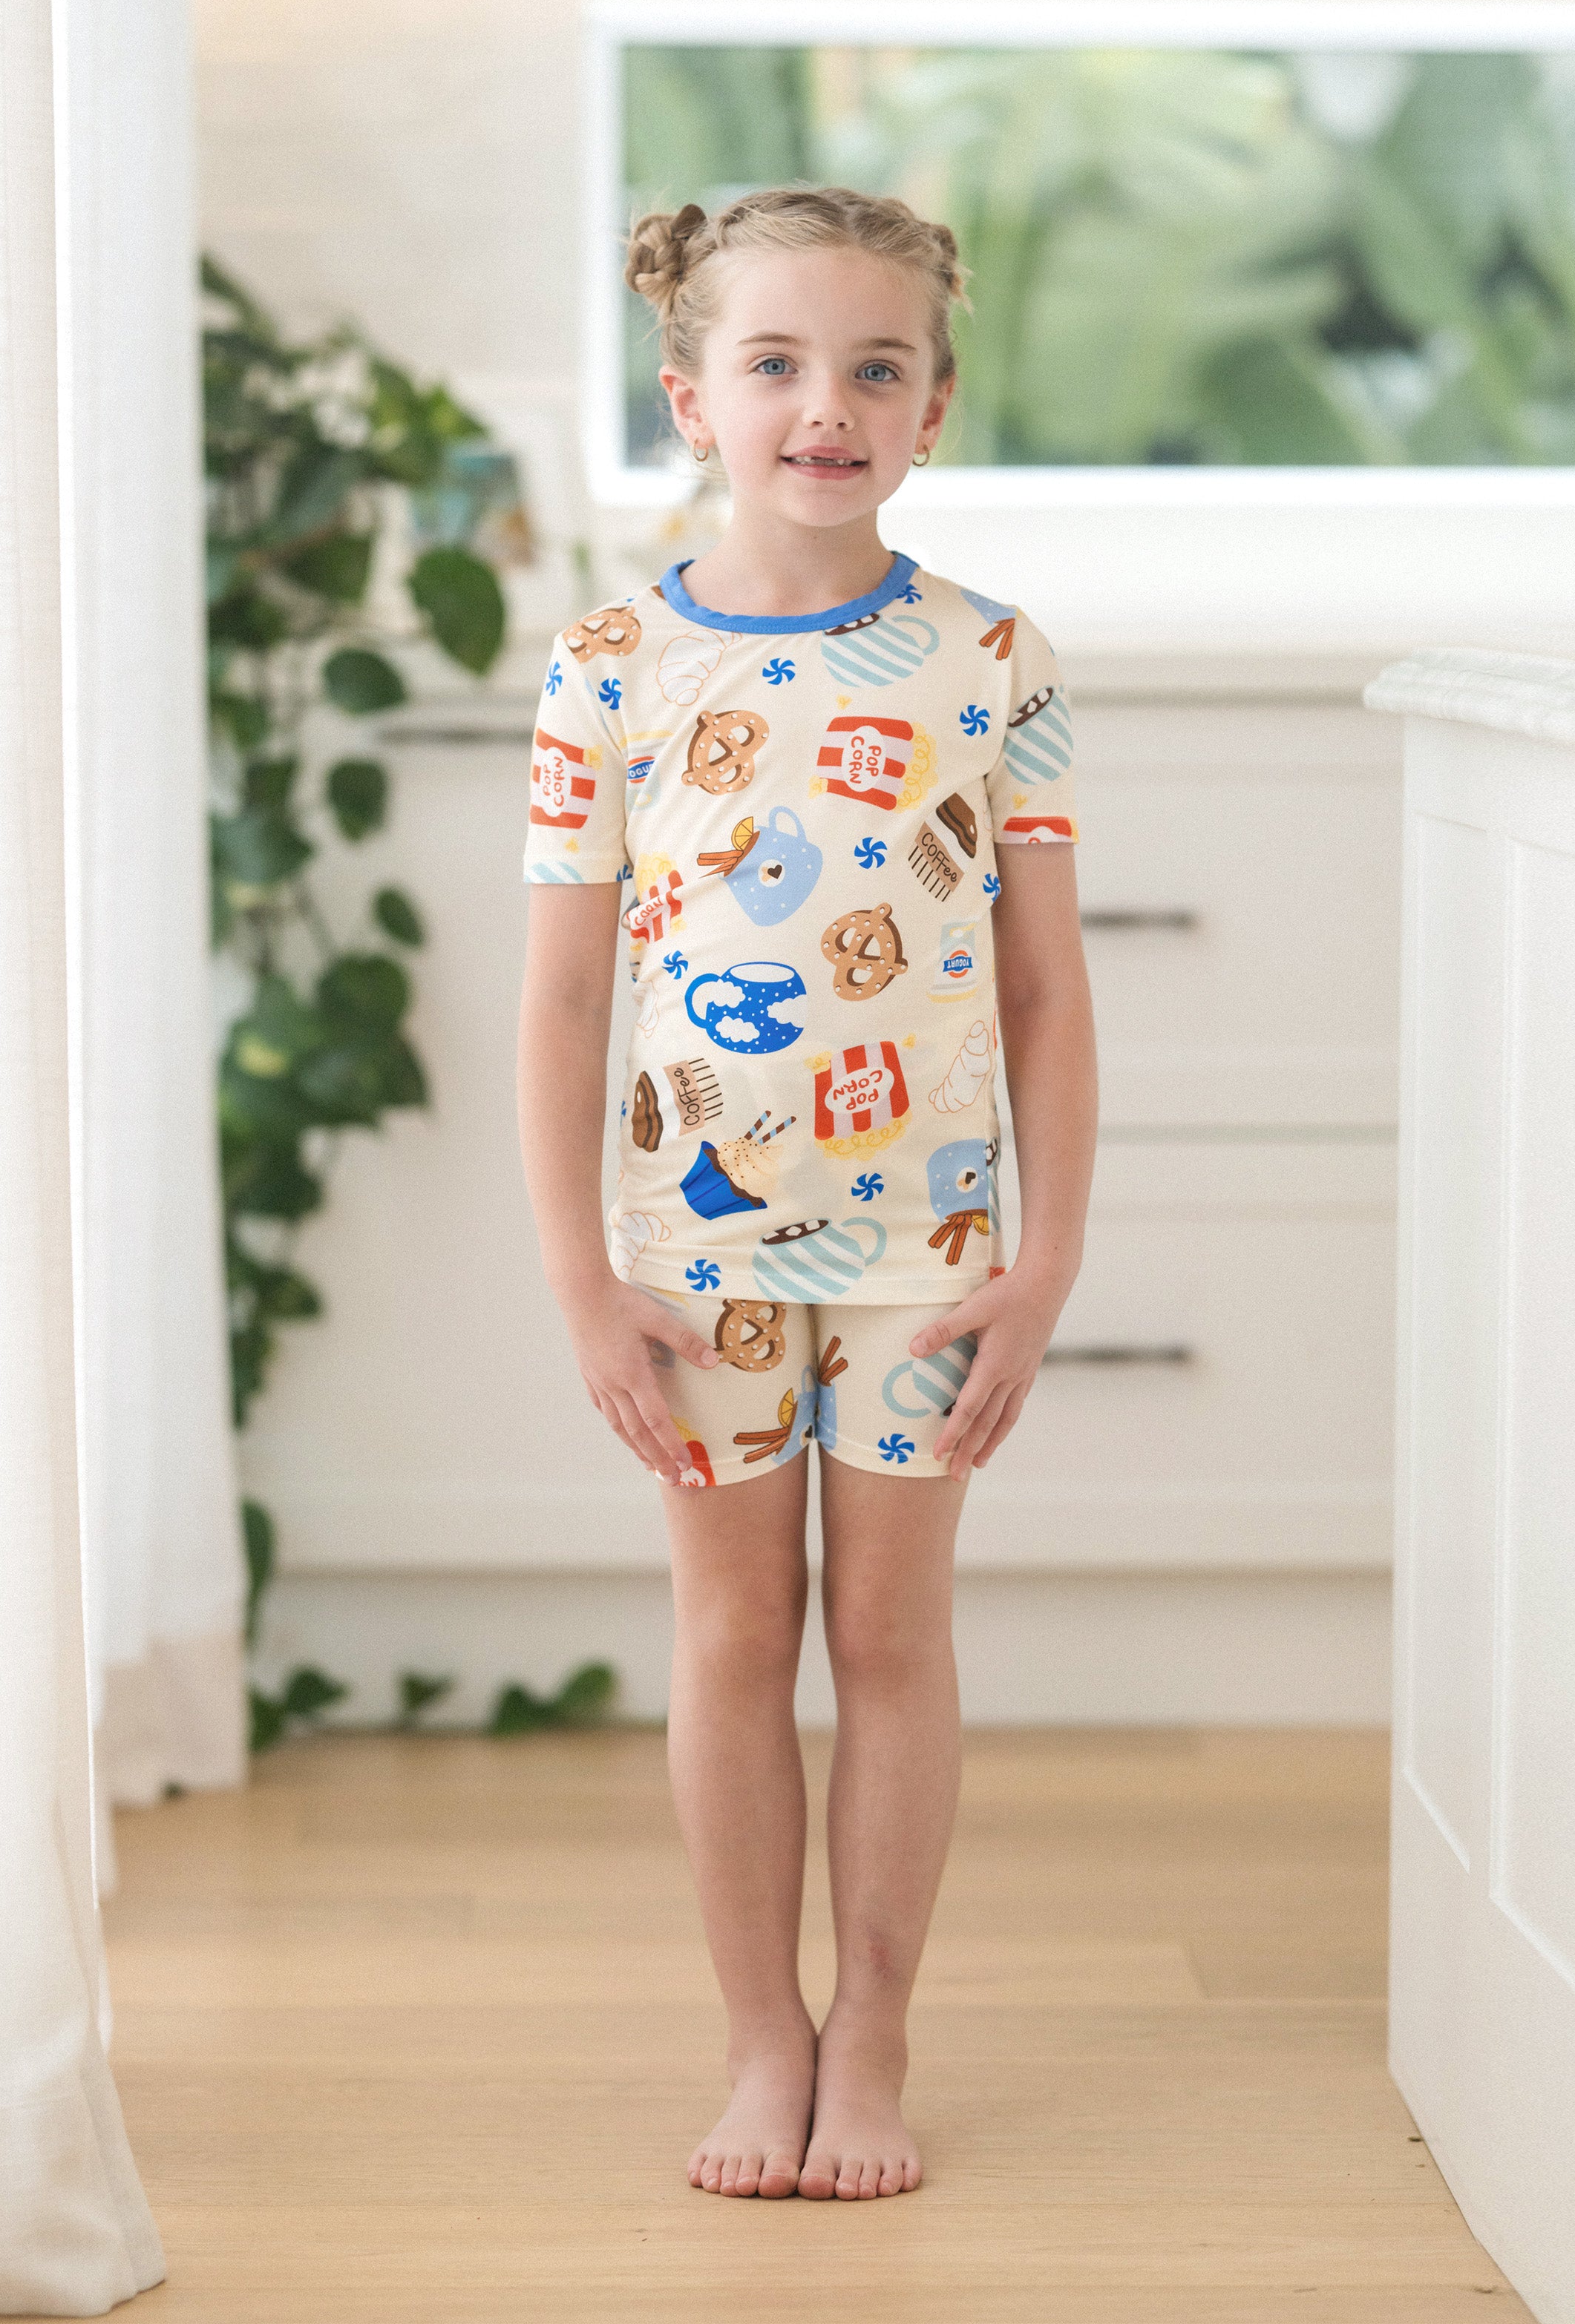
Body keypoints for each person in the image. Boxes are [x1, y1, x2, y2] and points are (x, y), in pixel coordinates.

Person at [515, 186, 1097, 2202]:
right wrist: (582, 1280)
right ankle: (764, 2036)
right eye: (776, 363)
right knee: (734, 1633)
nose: (826, 406)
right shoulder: (609, 668)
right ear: (694, 398)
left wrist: (1042, 1264)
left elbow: (1043, 993)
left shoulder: (991, 661)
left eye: (875, 367)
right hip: (694, 1261)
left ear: (934, 407)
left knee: (895, 1633)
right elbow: (564, 1001)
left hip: (933, 1254)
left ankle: (879, 2032)